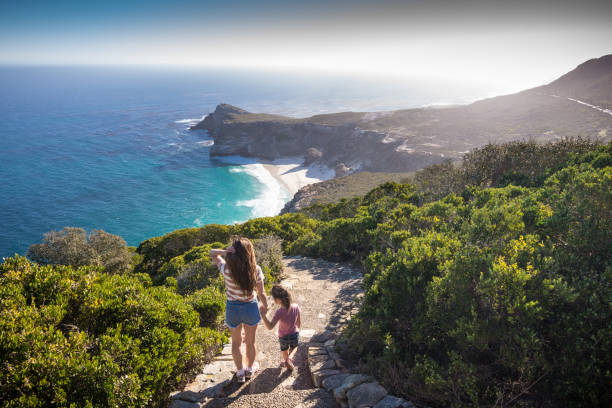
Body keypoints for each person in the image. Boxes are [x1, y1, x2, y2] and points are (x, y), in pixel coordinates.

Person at [210, 237, 268, 383]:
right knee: (251, 342)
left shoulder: (226, 269)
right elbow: (261, 293)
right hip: (250, 307)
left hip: (233, 309)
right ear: (249, 253)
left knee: (236, 343)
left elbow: (212, 253)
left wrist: (225, 251)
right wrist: (265, 305)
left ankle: (240, 372)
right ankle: (249, 369)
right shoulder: (256, 269)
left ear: (234, 253)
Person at [259, 285, 301, 371]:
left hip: (283, 337)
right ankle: (289, 359)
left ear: (278, 300)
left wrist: (263, 315)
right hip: (294, 333)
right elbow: (298, 324)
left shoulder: (279, 312)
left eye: (273, 299)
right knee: (295, 347)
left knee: (284, 350)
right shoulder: (296, 307)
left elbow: (270, 326)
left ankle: (287, 360)